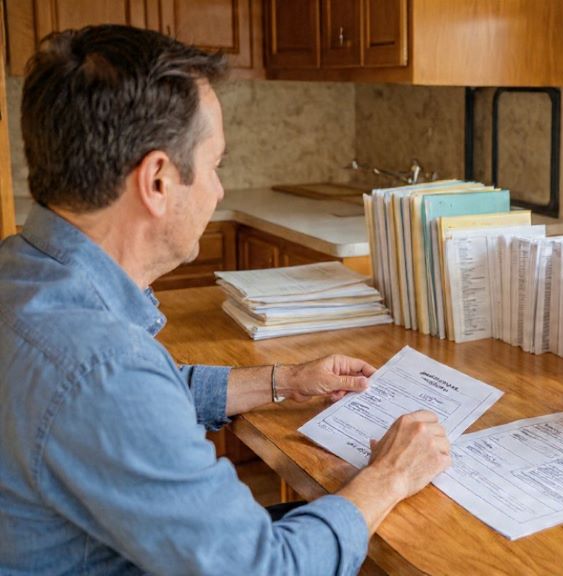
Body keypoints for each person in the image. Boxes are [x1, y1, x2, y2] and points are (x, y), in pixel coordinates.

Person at [0, 25, 450, 574]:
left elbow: (138, 398)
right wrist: (391, 475)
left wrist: (284, 381)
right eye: (216, 166)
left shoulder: (22, 272)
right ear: (158, 181)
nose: (218, 190)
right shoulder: (103, 368)